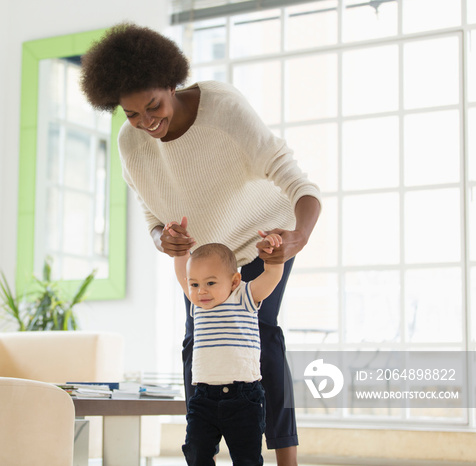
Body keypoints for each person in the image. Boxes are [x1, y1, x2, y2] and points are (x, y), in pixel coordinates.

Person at [80, 22, 321, 466]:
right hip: (204, 260)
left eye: (153, 106)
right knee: (198, 346)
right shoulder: (130, 144)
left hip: (263, 244)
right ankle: (202, 451)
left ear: (171, 83)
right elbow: (152, 217)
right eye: (132, 114)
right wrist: (163, 238)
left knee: (260, 339)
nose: (146, 122)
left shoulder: (223, 109)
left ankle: (285, 457)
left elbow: (299, 184)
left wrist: (297, 238)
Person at [167, 217, 283, 466]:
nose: (201, 291)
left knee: (247, 458)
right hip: (203, 397)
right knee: (196, 453)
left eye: (210, 283)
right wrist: (180, 250)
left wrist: (274, 254)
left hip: (244, 397)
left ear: (233, 281)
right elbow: (181, 272)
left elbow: (272, 275)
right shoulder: (198, 303)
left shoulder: (244, 296)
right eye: (195, 284)